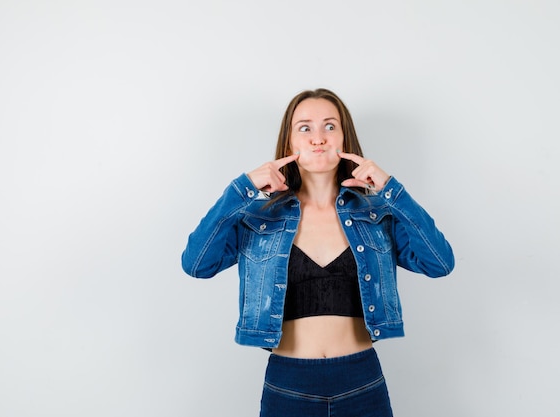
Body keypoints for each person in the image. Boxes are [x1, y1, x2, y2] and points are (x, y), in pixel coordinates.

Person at [181, 88, 455, 417]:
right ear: (289, 143)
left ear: (344, 138)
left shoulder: (376, 213)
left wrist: (391, 190)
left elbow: (439, 262)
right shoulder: (259, 217)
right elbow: (196, 264)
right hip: (288, 384)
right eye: (305, 128)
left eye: (329, 126)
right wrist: (241, 189)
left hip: (362, 382)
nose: (318, 138)